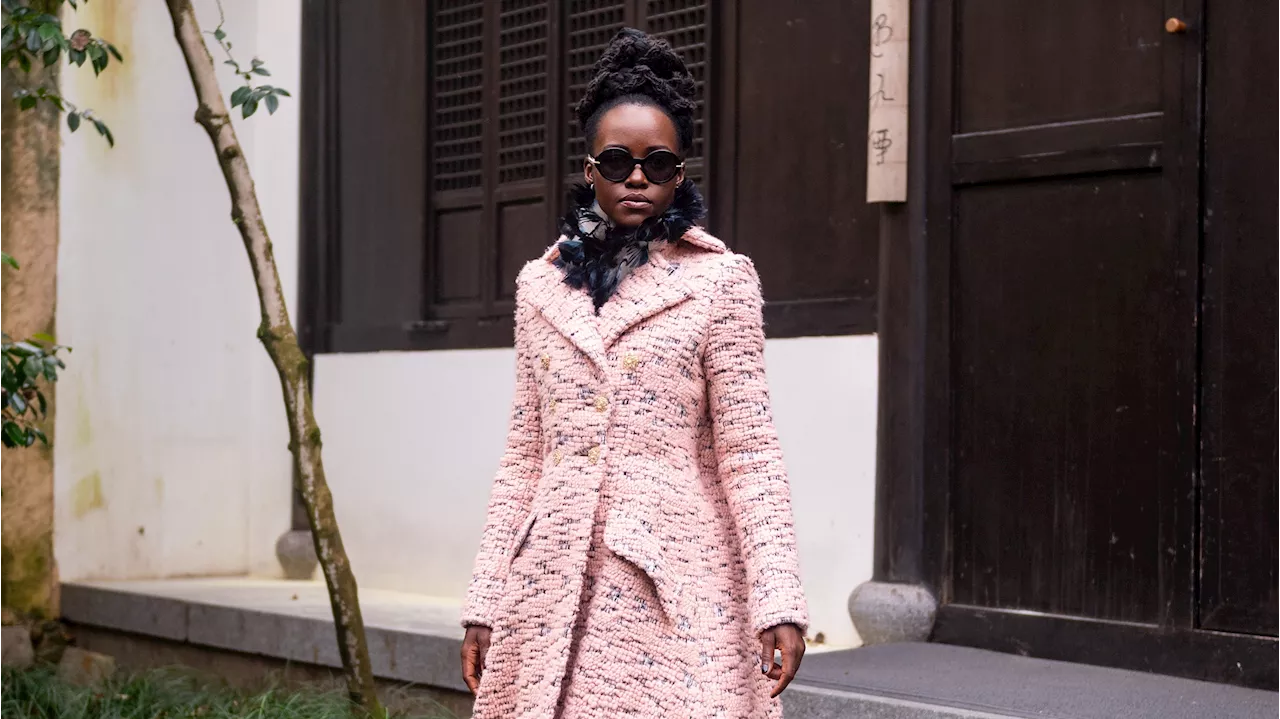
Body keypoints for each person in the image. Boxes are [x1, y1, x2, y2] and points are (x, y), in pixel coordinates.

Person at [459, 27, 808, 719]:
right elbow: (525, 453)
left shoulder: (720, 283)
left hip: (671, 583)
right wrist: (485, 602)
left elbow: (751, 454)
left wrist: (778, 599)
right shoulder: (541, 287)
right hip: (549, 579)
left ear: (681, 174)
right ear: (589, 170)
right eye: (617, 161)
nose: (638, 177)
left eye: (658, 162)